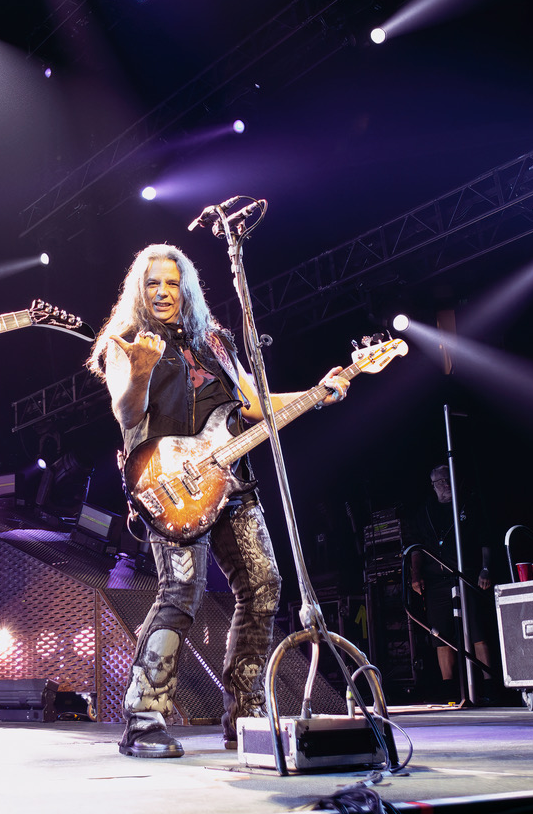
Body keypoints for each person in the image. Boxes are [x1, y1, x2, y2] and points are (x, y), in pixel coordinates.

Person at [86, 243, 350, 757]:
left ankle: (246, 711)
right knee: (181, 588)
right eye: (152, 283)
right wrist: (140, 371)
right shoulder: (125, 341)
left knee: (264, 582)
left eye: (171, 282)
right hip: (168, 481)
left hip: (229, 479)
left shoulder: (215, 342)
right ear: (138, 290)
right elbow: (126, 411)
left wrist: (318, 391)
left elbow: (253, 405)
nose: (162, 292)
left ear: (186, 286)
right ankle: (143, 716)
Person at [407, 464, 494, 704]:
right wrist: (416, 575)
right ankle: (448, 687)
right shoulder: (425, 512)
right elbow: (416, 547)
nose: (446, 485)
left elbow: (485, 539)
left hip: (466, 576)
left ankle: (489, 684)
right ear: (433, 485)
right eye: (440, 481)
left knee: (476, 630)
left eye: (449, 479)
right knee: (441, 636)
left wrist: (486, 568)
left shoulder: (468, 504)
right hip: (436, 581)